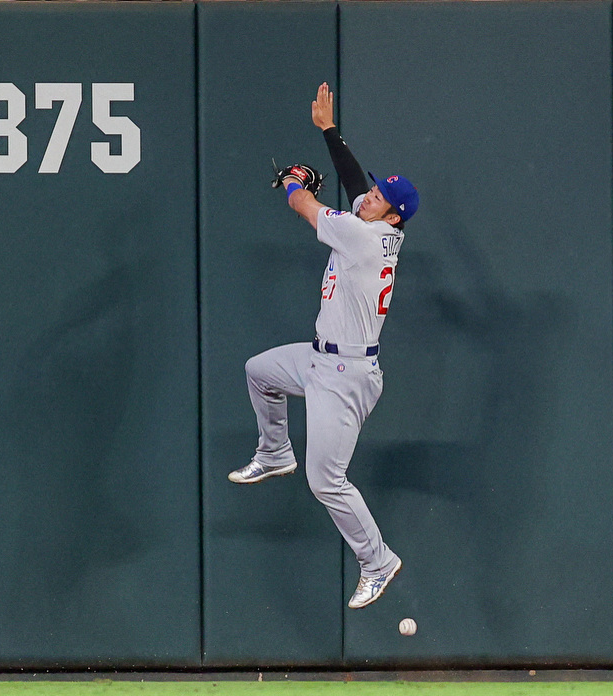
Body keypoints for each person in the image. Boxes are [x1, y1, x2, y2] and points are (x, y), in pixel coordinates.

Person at [228, 82, 419, 609]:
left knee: (326, 481)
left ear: (393, 217)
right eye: (377, 192)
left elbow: (305, 206)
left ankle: (377, 562)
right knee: (260, 371)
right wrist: (329, 133)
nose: (370, 197)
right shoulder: (372, 219)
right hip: (319, 358)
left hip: (347, 376)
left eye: (381, 199)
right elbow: (354, 182)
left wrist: (293, 182)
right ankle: (274, 452)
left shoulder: (365, 236)